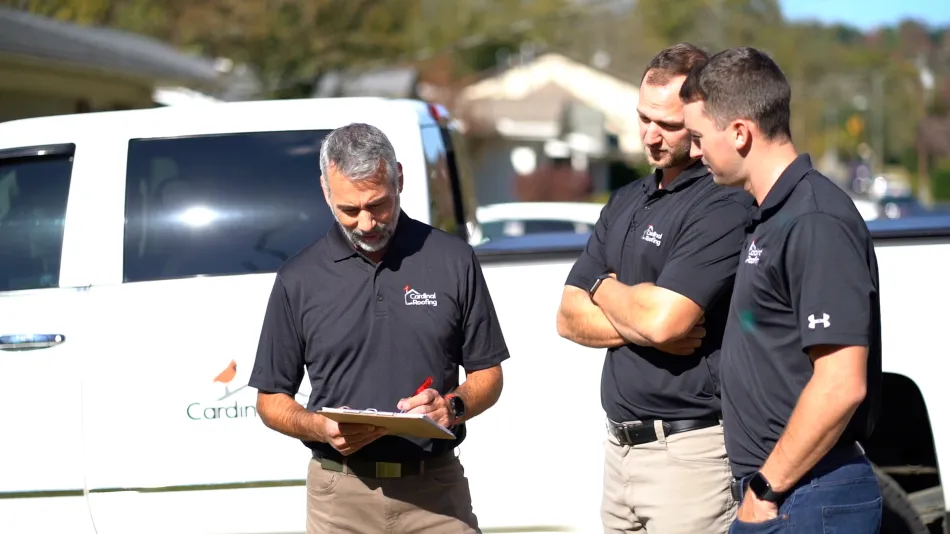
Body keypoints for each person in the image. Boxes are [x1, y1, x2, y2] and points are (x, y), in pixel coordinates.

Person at [248, 122, 509, 534]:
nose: (366, 223)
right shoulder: (298, 278)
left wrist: (451, 407)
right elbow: (271, 400)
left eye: (378, 205)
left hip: (436, 494)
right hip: (340, 496)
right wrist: (320, 427)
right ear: (325, 192)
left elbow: (488, 374)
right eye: (349, 210)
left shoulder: (453, 260)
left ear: (399, 179)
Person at [679, 46, 883, 533]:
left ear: (741, 133)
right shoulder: (769, 215)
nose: (693, 151)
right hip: (788, 493)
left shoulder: (813, 220)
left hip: (804, 494)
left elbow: (840, 383)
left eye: (697, 136)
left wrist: (765, 490)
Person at [556, 43, 755, 534]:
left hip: (690, 455)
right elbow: (566, 315)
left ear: (701, 114)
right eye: (643, 118)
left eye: (667, 124)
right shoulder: (626, 199)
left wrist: (601, 289)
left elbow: (669, 320)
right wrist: (634, 315)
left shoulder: (722, 202)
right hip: (618, 452)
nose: (649, 135)